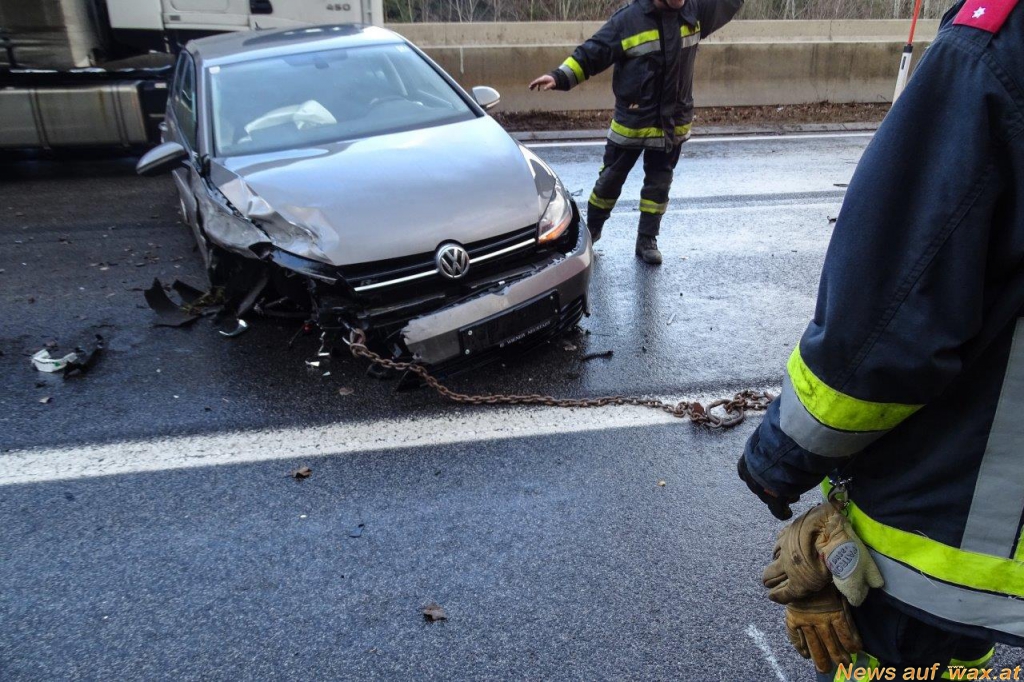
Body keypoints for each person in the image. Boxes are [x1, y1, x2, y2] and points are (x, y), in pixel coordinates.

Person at [737, 0, 1024, 678]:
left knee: (904, 643)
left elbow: (891, 315)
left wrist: (781, 457)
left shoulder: (995, 48)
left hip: (955, 519)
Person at [528, 0, 743, 265]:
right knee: (609, 182)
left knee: (659, 184)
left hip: (672, 122)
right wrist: (560, 76)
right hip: (633, 121)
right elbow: (594, 52)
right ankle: (590, 233)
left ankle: (647, 240)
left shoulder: (695, 12)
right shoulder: (629, 20)